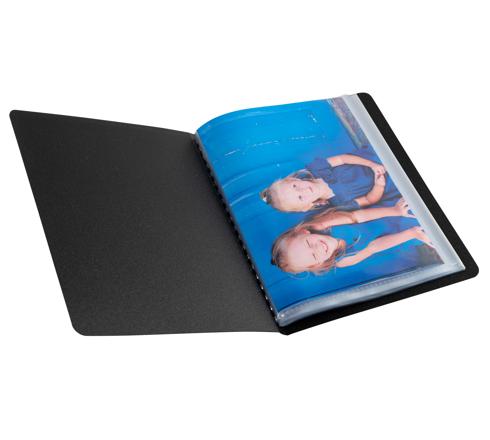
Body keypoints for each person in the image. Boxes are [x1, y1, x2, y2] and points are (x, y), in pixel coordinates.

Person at [270, 198, 437, 275]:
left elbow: (359, 216)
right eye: (314, 255)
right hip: (390, 235)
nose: (318, 248)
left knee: (415, 207)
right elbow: (375, 247)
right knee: (426, 231)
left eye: (308, 243)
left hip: (381, 215)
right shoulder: (343, 261)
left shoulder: (322, 225)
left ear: (304, 232)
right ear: (317, 263)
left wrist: (395, 211)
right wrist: (410, 234)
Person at [260, 148, 400, 212]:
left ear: (293, 179)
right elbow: (369, 200)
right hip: (388, 183)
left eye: (295, 186)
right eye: (300, 197)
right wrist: (379, 185)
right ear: (306, 206)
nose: (303, 190)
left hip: (371, 159)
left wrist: (371, 164)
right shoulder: (340, 204)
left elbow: (343, 158)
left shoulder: (317, 169)